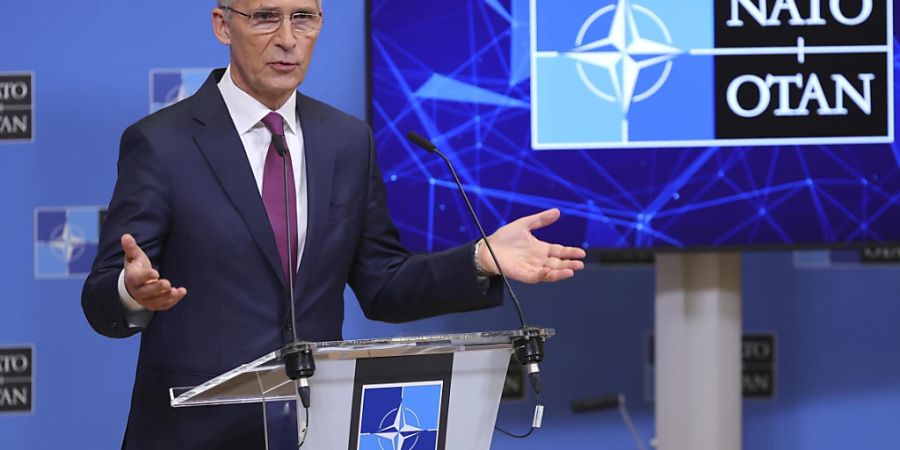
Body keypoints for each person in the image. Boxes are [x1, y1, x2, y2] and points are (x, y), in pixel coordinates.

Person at [81, 0, 586, 448]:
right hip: (195, 432)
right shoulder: (162, 143)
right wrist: (131, 291)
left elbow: (382, 284)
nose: (287, 38)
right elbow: (101, 295)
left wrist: (480, 258)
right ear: (222, 25)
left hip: (314, 426)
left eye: (304, 17)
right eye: (264, 17)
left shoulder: (347, 141)